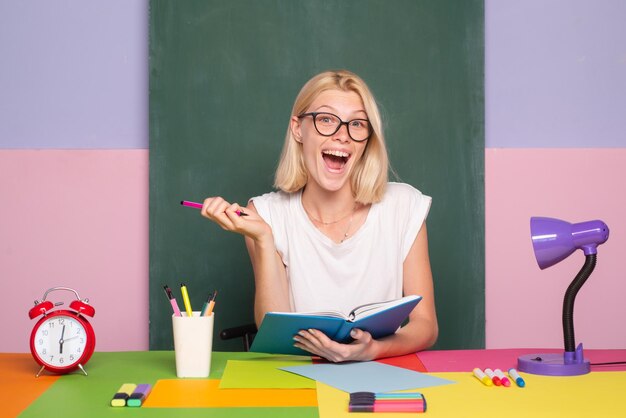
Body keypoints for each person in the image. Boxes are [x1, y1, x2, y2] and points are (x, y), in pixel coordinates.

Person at [201, 70, 438, 362]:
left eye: (357, 124)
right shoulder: (265, 215)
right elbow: (274, 331)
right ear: (298, 129)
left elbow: (426, 326)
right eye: (326, 119)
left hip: (380, 377)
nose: (342, 134)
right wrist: (263, 238)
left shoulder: (403, 206)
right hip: (298, 381)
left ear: (367, 139)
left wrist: (372, 350)